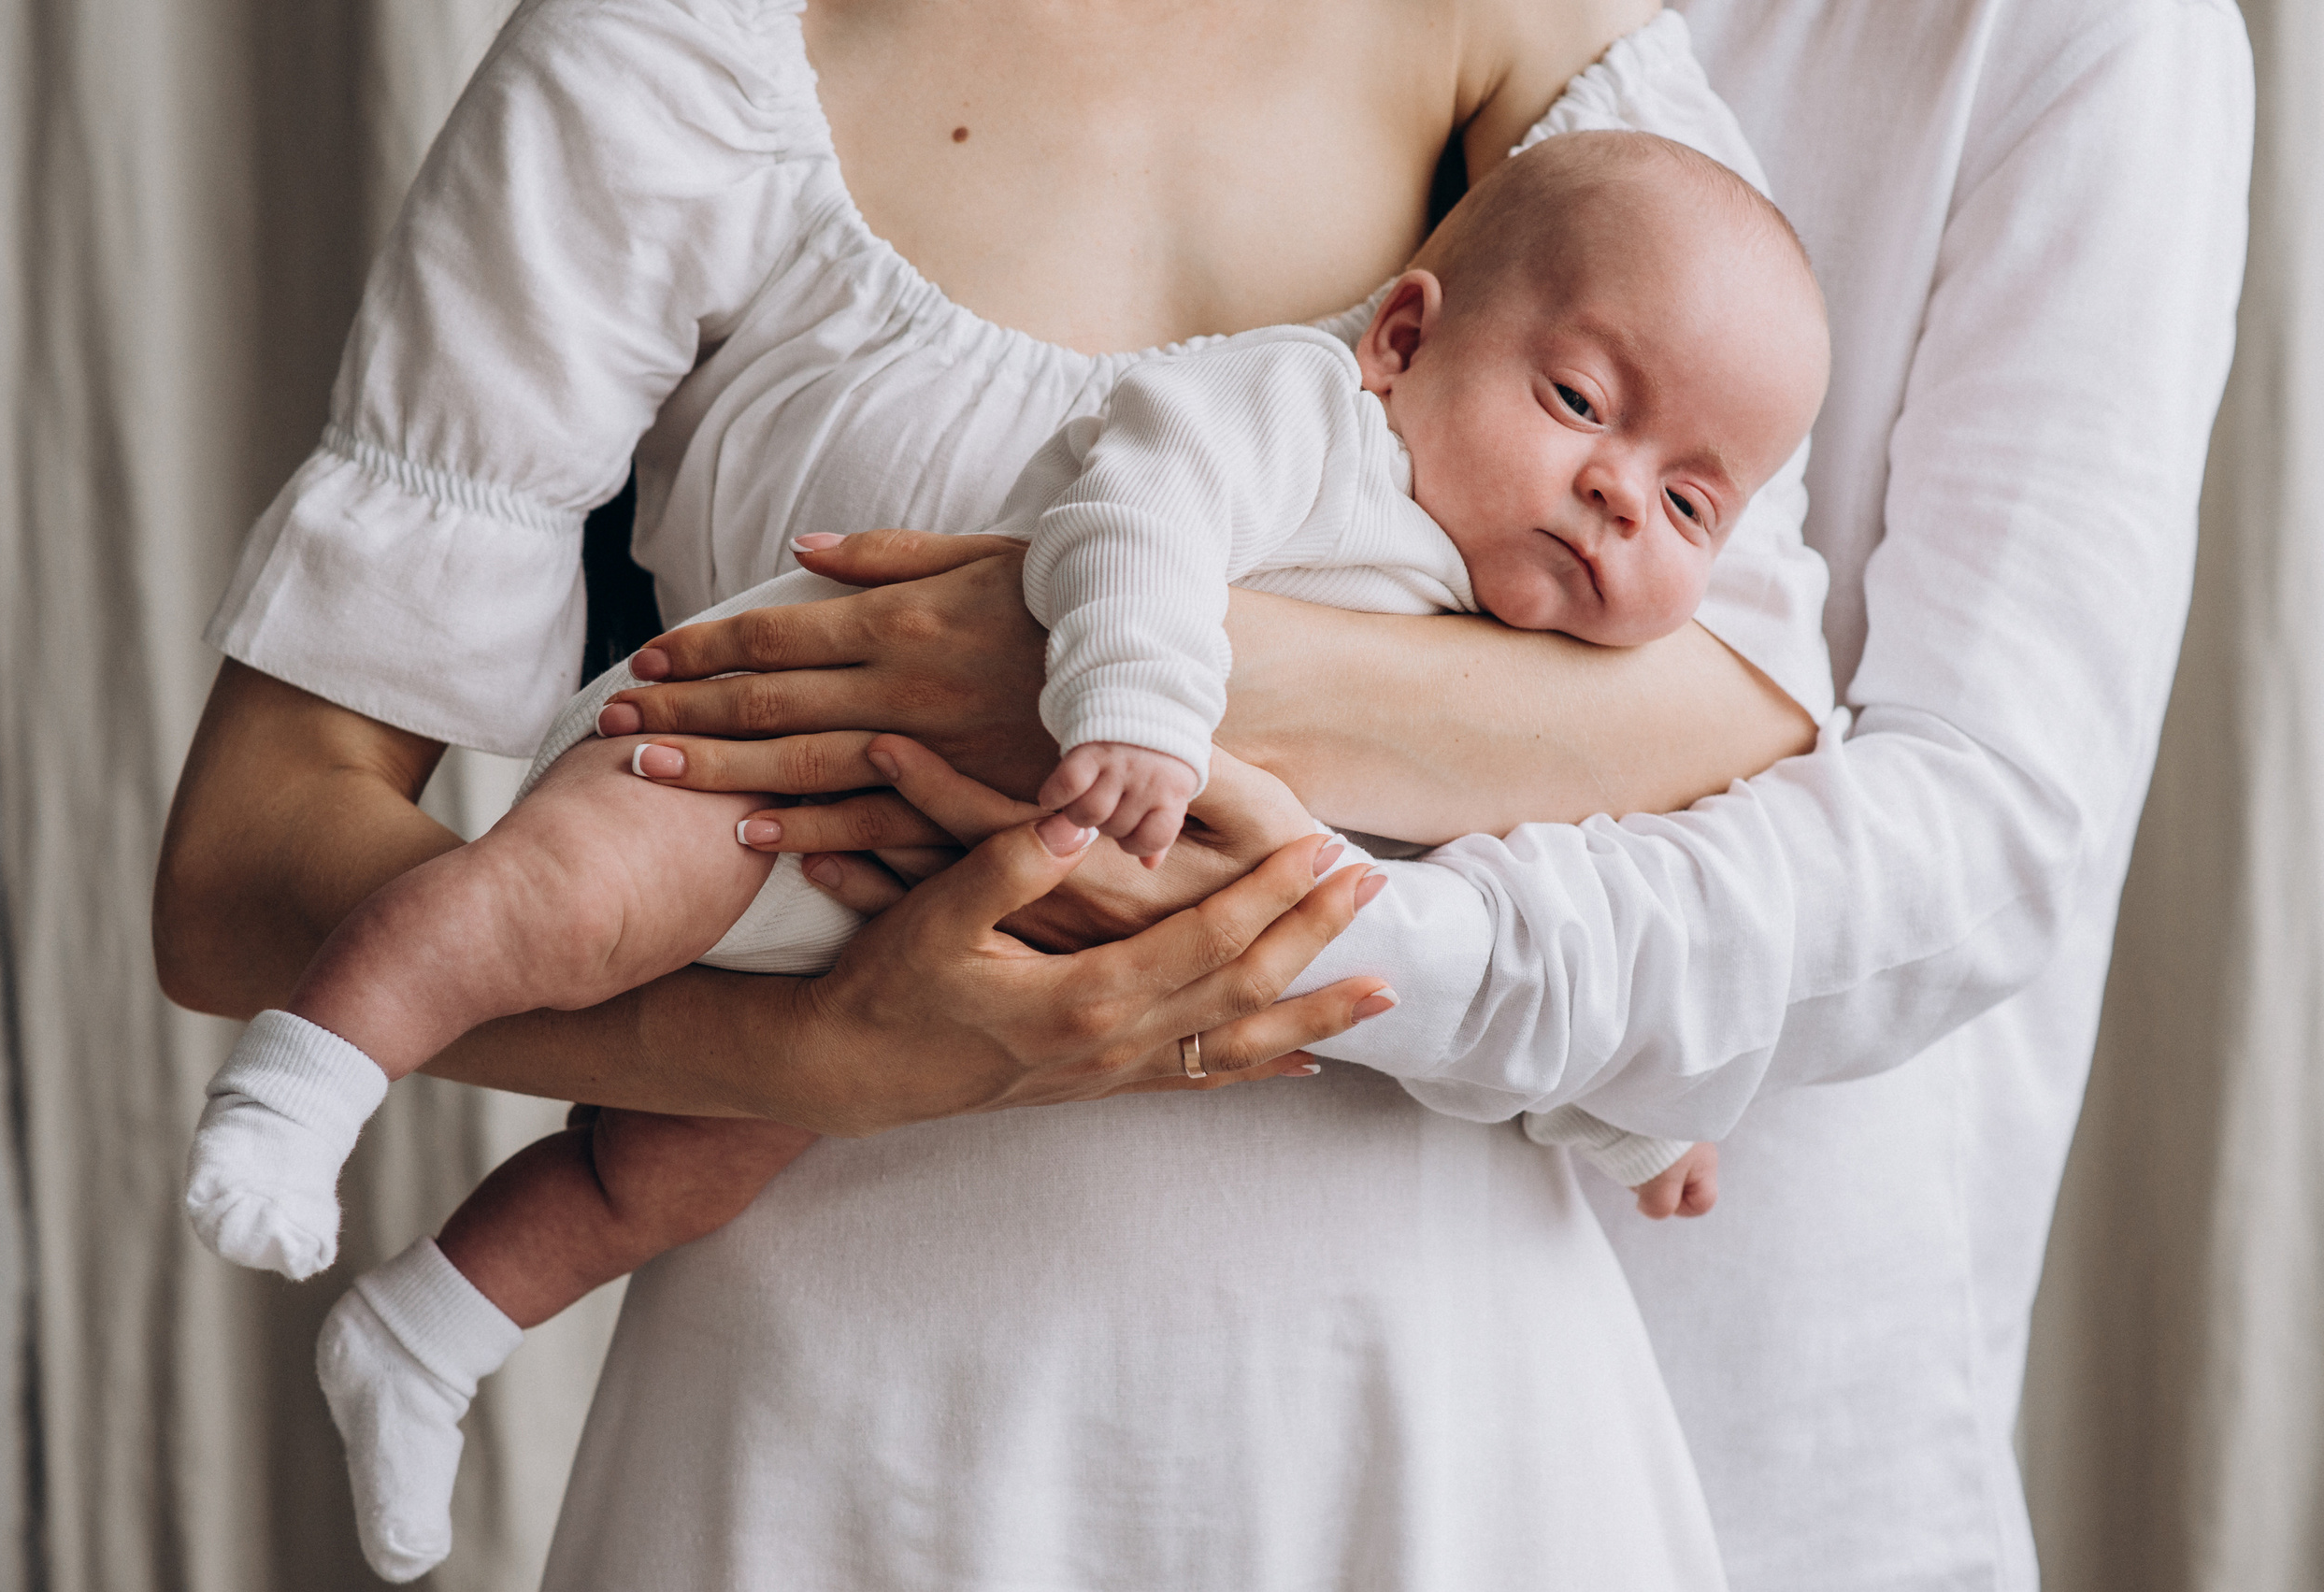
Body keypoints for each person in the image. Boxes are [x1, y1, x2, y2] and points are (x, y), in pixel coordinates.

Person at [152, 4, 2249, 1592]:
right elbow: (246, 870)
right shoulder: (676, 58)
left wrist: (1111, 662)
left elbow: (1750, 713)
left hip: (1430, 1408)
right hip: (826, 1407)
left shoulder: (1534, 57)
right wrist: (810, 1051)